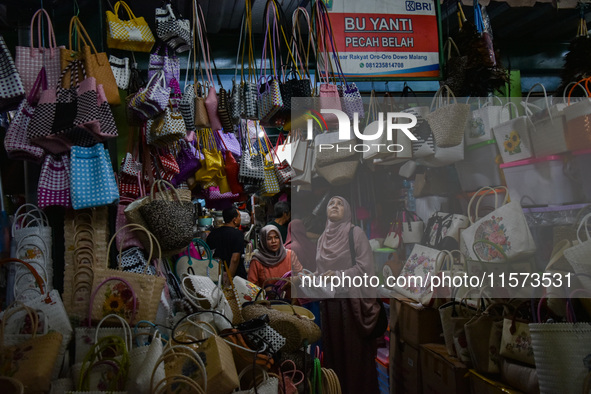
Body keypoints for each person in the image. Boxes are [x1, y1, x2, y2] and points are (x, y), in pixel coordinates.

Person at [316, 196, 381, 394]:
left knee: (354, 354)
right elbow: (321, 271)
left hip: (351, 305)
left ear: (348, 211)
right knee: (335, 353)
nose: (334, 206)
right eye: (330, 203)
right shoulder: (322, 238)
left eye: (340, 204)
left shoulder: (355, 233)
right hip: (330, 306)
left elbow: (365, 268)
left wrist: (337, 275)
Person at [247, 225, 302, 291]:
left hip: (290, 299)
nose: (273, 241)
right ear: (263, 241)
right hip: (268, 300)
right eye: (269, 238)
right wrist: (265, 291)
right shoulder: (257, 261)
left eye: (276, 237)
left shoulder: (290, 255)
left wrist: (293, 280)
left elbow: (301, 275)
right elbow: (251, 287)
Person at [206, 207, 247, 279]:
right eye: (239, 216)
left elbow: (208, 254)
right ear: (234, 220)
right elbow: (235, 259)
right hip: (235, 277)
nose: (240, 219)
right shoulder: (238, 234)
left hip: (216, 275)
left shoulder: (213, 233)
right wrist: (229, 278)